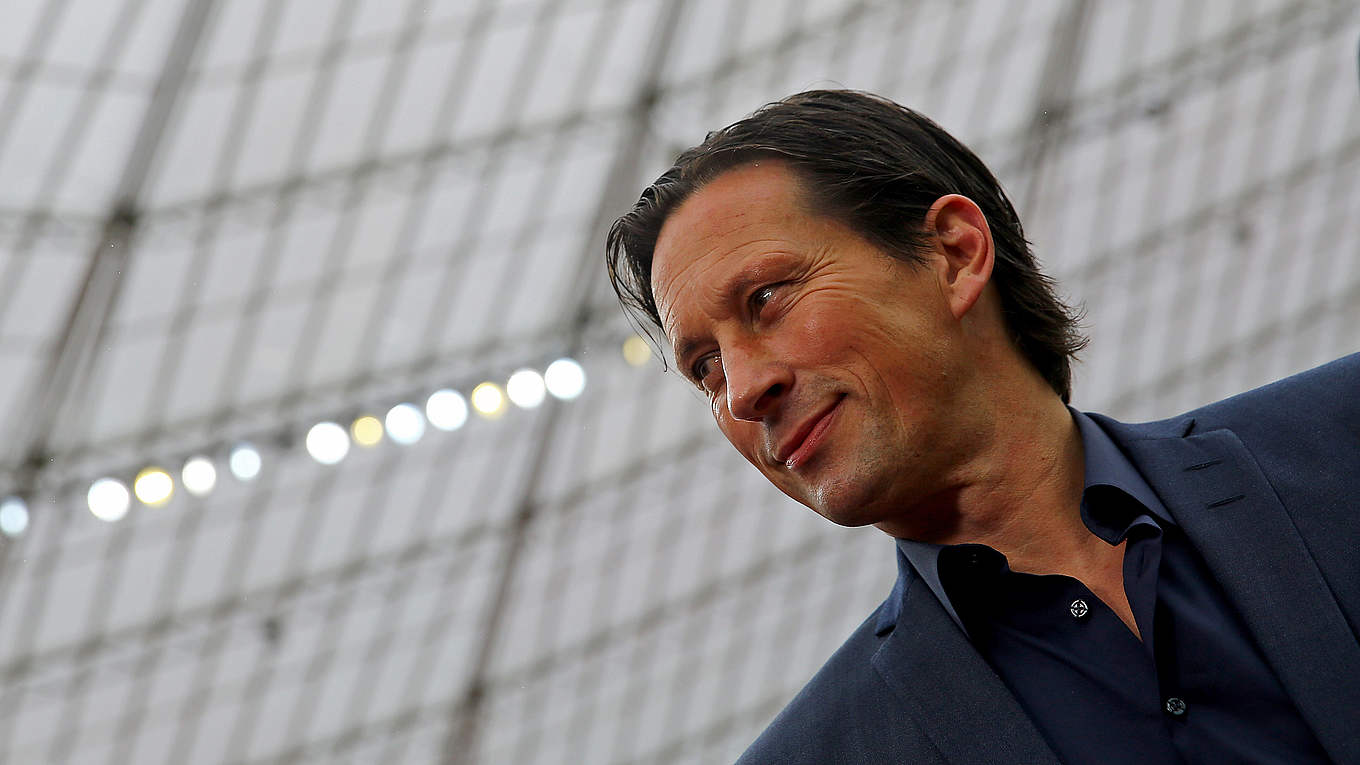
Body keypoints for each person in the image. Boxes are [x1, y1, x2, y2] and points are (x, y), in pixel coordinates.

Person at [605, 90, 1360, 764]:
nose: (742, 392)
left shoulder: (1342, 438)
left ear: (955, 254)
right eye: (706, 367)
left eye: (767, 298)